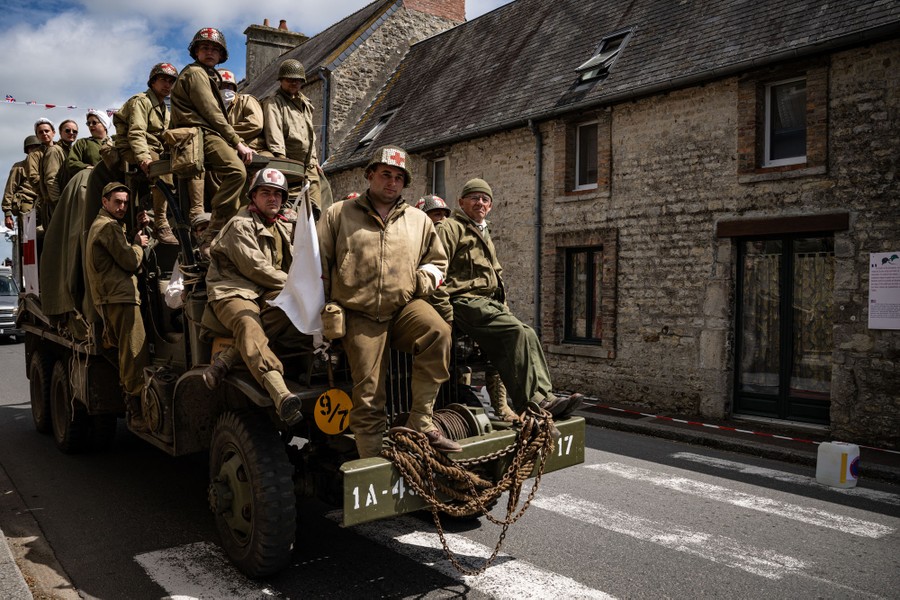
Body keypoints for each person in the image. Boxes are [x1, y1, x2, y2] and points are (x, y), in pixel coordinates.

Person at [317, 145, 461, 458]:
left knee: (438, 331)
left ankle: (421, 420)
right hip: (358, 313)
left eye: (399, 177)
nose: (391, 182)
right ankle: (372, 463)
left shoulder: (419, 220)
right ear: (370, 175)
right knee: (369, 396)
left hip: (403, 307)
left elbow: (437, 264)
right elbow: (318, 265)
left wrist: (418, 283)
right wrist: (326, 308)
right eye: (385, 174)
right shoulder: (339, 213)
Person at [431, 178, 583, 420]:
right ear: (461, 202)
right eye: (474, 198)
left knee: (529, 333)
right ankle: (530, 403)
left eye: (485, 199)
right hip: (464, 301)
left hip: (487, 303)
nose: (480, 203)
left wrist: (503, 306)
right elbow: (436, 269)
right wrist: (444, 311)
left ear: (490, 206)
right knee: (515, 332)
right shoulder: (450, 228)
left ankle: (546, 396)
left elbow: (495, 274)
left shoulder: (482, 230)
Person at [204, 168, 306, 426]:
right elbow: (256, 268)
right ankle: (279, 391)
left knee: (293, 309)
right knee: (248, 322)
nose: (273, 198)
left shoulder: (282, 225)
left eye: (277, 194)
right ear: (254, 197)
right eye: (266, 193)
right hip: (232, 290)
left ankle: (228, 358)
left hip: (264, 290)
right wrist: (300, 286)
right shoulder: (240, 225)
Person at [171, 27, 254, 253]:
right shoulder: (196, 73)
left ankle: (230, 225)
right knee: (237, 172)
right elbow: (211, 112)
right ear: (196, 51)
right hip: (201, 133)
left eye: (215, 49)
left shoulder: (206, 74)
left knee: (243, 175)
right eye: (205, 47)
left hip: (206, 133)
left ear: (221, 55)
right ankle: (213, 231)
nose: (210, 52)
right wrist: (237, 142)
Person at [85, 182, 151, 431]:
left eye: (125, 202)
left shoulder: (104, 225)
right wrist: (138, 243)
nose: (122, 207)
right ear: (105, 202)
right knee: (135, 353)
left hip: (113, 297)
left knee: (125, 352)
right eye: (117, 202)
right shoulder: (109, 227)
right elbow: (130, 260)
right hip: (120, 298)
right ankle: (137, 412)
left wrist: (135, 232)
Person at [114, 62, 180, 244]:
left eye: (171, 81)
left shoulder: (163, 109)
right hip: (130, 148)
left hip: (152, 146)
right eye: (162, 80)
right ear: (152, 82)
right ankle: (160, 223)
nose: (167, 84)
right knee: (163, 169)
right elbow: (136, 133)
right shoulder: (142, 101)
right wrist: (143, 157)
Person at [263, 59, 325, 216]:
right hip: (288, 162)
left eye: (297, 80)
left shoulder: (306, 103)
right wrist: (281, 160)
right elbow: (274, 132)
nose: (294, 83)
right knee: (288, 206)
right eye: (290, 79)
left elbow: (310, 135)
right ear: (281, 80)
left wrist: (314, 160)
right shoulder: (274, 102)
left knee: (315, 206)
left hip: (308, 164)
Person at [164, 212, 210, 309]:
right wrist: (185, 295)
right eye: (203, 229)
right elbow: (170, 298)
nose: (208, 233)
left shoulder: (229, 254)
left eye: (211, 228)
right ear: (196, 234)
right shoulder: (187, 259)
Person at [2, 135, 41, 231]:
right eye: (31, 147)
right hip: (26, 204)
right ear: (27, 150)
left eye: (37, 147)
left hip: (43, 204)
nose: (34, 150)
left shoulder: (45, 167)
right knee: (28, 237)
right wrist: (7, 213)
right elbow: (10, 189)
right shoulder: (19, 167)